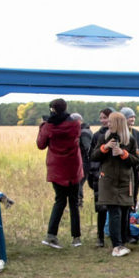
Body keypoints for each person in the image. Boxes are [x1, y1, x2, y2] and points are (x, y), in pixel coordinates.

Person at [91, 111, 139, 257]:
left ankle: (122, 242)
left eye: (111, 121)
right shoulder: (103, 138)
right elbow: (94, 156)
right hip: (108, 181)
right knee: (114, 213)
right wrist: (105, 147)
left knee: (125, 212)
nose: (108, 123)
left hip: (125, 181)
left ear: (118, 123)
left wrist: (123, 153)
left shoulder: (130, 140)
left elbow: (136, 160)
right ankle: (116, 245)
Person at [36, 99, 83, 249]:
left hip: (56, 168)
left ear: (52, 110)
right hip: (73, 167)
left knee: (60, 201)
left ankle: (51, 235)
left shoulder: (48, 127)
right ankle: (76, 238)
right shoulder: (75, 124)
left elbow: (40, 145)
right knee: (74, 202)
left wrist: (42, 126)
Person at [88, 108, 112, 247]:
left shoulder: (119, 135)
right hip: (100, 177)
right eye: (101, 118)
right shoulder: (97, 135)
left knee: (115, 209)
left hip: (114, 177)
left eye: (105, 118)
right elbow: (92, 156)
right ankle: (100, 237)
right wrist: (94, 175)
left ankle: (117, 236)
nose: (103, 120)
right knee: (101, 209)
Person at [120, 107, 139, 209]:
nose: (133, 119)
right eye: (130, 117)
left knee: (135, 189)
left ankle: (133, 210)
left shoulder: (136, 133)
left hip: (135, 168)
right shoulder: (119, 133)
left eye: (134, 117)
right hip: (124, 169)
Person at [76, 114, 92, 208]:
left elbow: (88, 149)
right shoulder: (84, 130)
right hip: (85, 162)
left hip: (85, 162)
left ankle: (78, 204)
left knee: (78, 183)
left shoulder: (84, 132)